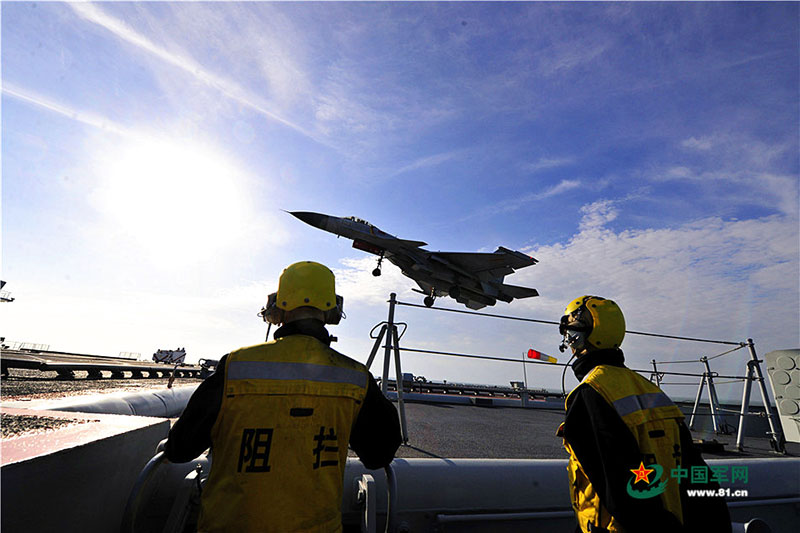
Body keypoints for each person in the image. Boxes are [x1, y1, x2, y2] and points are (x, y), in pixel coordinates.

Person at [165, 261, 401, 533]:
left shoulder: (235, 366)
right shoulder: (356, 378)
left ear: (278, 307)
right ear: (333, 309)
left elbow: (180, 449)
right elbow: (379, 455)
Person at [557, 295, 731, 533]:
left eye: (570, 331)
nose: (567, 338)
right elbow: (696, 474)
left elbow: (620, 487)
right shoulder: (651, 390)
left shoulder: (590, 394)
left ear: (581, 336)